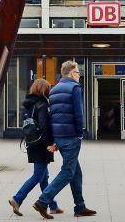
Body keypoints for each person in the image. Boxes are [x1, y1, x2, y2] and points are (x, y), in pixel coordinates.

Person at [33, 60, 97, 219]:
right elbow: (78, 113)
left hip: (59, 137)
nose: (79, 75)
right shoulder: (75, 88)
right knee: (68, 172)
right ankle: (43, 200)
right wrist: (80, 133)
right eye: (77, 72)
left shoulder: (54, 90)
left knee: (76, 172)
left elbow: (52, 116)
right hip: (71, 137)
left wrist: (54, 139)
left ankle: (80, 207)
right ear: (70, 73)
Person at [8, 78, 56, 217]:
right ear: (44, 90)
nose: (50, 91)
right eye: (48, 89)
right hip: (41, 144)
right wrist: (50, 143)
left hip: (31, 142)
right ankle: (17, 199)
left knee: (44, 176)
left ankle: (52, 205)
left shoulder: (28, 104)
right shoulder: (41, 104)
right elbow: (44, 126)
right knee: (38, 175)